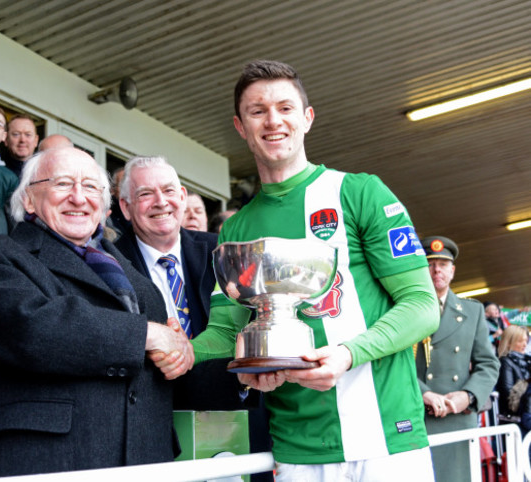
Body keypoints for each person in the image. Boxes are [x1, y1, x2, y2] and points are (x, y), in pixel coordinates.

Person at [188, 60, 440, 481]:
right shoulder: (235, 228)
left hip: (385, 439)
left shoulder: (360, 192)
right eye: (258, 111)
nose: (273, 121)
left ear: (307, 118)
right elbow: (228, 332)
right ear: (240, 126)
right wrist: (176, 349)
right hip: (297, 448)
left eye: (286, 108)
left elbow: (421, 305)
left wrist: (347, 354)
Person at [0, 147, 193, 477]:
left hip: (144, 460)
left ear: (105, 205)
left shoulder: (137, 279)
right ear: (28, 199)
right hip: (44, 463)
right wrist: (149, 335)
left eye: (91, 187)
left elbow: (159, 374)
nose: (79, 198)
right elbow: (35, 330)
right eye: (63, 184)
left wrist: (222, 368)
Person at [115, 156, 273, 481]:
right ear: (126, 207)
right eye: (146, 194)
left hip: (235, 420)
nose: (161, 202)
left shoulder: (224, 254)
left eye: (169, 190)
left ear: (183, 197)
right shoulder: (108, 264)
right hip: (150, 435)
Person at [416, 235, 499, 482]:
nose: (436, 269)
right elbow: (394, 362)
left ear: (452, 271)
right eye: (430, 264)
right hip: (415, 413)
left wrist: (469, 396)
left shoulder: (472, 311)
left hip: (455, 417)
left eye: (442, 264)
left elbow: (488, 363)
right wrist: (422, 392)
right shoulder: (403, 309)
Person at [496, 325, 530, 416]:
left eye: (526, 341)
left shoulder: (526, 360)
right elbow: (508, 394)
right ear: (508, 343)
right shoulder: (505, 362)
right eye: (520, 341)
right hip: (517, 412)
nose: (525, 344)